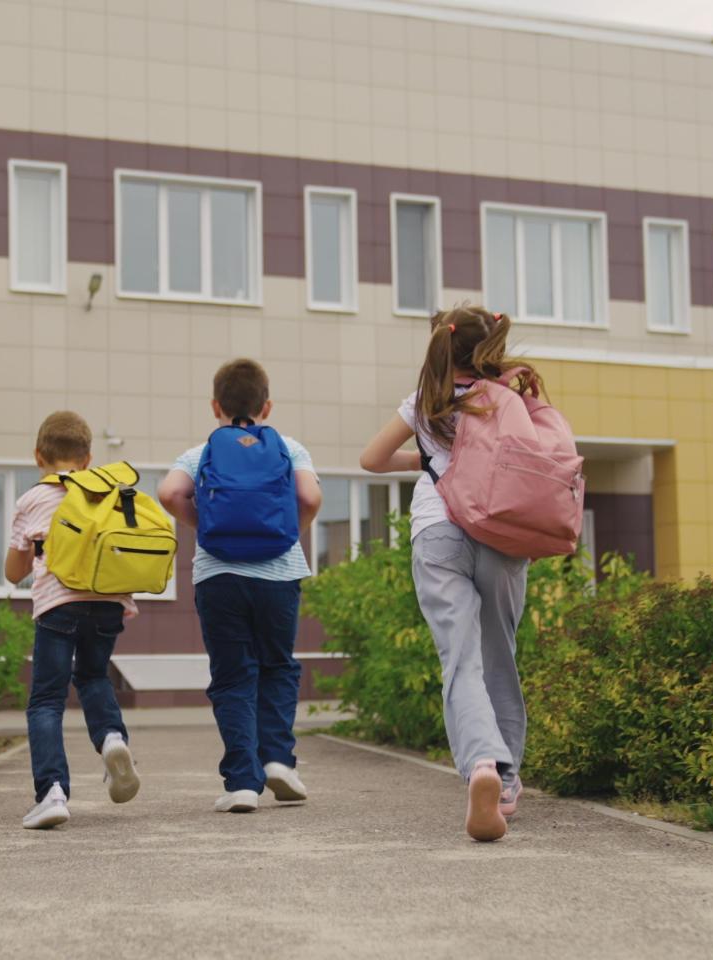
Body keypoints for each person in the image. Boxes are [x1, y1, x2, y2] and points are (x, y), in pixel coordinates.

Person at [358, 305, 534, 842]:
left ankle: (482, 763)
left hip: (437, 529)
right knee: (499, 652)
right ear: (490, 348)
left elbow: (371, 459)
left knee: (459, 658)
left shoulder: (424, 401)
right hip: (499, 530)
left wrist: (430, 456)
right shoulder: (504, 399)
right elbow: (530, 459)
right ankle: (506, 783)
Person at [158, 359, 323, 813]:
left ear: (216, 406)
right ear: (266, 406)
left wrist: (205, 525)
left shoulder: (199, 453)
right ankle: (279, 761)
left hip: (219, 575)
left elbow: (169, 493)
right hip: (279, 574)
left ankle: (242, 783)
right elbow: (310, 497)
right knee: (278, 667)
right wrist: (288, 534)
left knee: (233, 675)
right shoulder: (289, 448)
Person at [8, 411, 142, 830]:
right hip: (107, 603)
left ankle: (51, 793)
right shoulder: (107, 493)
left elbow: (13, 572)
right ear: (87, 459)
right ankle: (112, 738)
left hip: (57, 606)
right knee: (93, 676)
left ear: (38, 456)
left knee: (47, 699)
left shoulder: (32, 500)